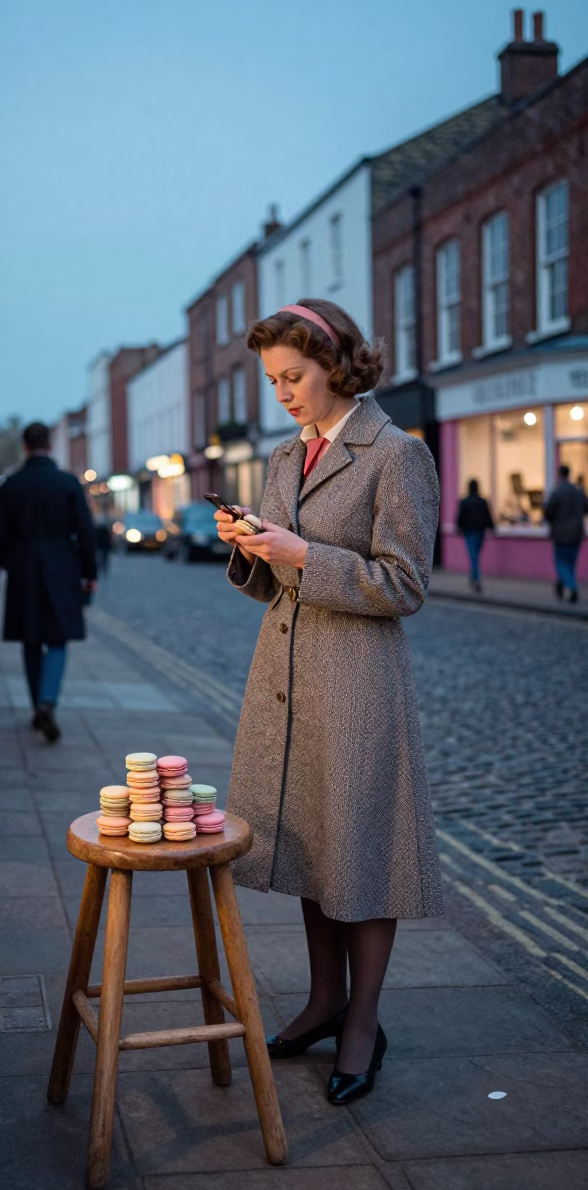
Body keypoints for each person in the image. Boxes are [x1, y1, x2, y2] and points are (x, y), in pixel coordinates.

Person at [213, 299, 442, 1107]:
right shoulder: (284, 455)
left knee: (362, 856)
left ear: (336, 361)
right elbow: (279, 578)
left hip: (357, 687)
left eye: (294, 376)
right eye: (272, 379)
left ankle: (361, 1022)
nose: (283, 393)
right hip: (284, 682)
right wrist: (254, 548)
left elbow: (407, 583)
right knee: (314, 845)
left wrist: (305, 553)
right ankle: (322, 1000)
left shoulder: (396, 455)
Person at [0, 421, 97, 741]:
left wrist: (10, 561)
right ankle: (48, 702)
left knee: (30, 638)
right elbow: (85, 532)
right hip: (62, 567)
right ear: (49, 445)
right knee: (58, 639)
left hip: (23, 569)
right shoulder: (67, 483)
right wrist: (89, 573)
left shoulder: (10, 485)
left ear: (24, 446)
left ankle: (37, 704)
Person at [544, 464, 588, 604]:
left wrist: (554, 522)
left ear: (559, 475)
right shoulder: (578, 491)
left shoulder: (557, 492)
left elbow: (548, 512)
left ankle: (572, 587)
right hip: (576, 533)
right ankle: (562, 584)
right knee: (570, 563)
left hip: (561, 533)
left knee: (562, 563)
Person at [456, 478, 494, 592]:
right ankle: (474, 578)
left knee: (473, 556)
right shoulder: (482, 501)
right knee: (476, 555)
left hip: (469, 531)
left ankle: (476, 579)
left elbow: (460, 517)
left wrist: (459, 528)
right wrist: (492, 527)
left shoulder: (465, 501)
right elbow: (488, 516)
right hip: (480, 531)